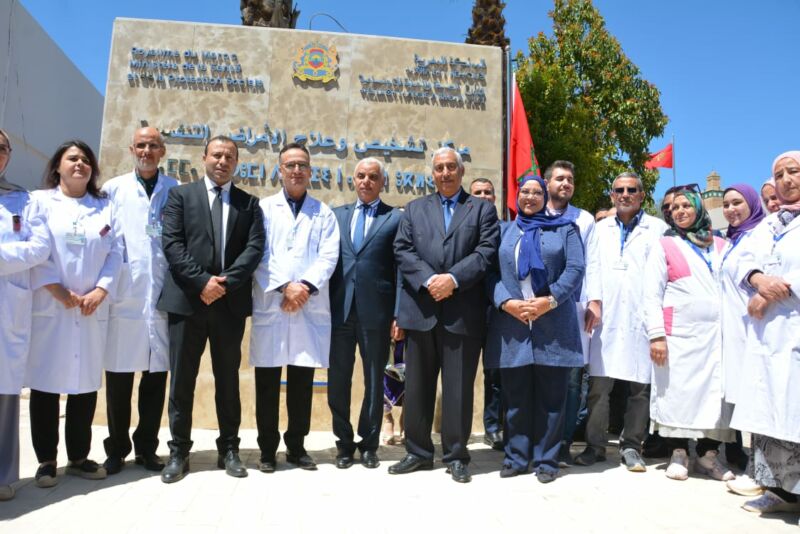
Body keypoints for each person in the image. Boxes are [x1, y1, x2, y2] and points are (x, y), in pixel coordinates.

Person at [158, 136, 265, 483]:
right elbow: (172, 245)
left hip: (228, 305)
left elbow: (254, 249)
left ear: (236, 163)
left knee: (228, 380)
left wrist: (224, 284)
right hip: (187, 302)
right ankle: (179, 451)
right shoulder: (180, 196)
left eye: (229, 157)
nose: (222, 161)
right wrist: (202, 283)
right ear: (204, 157)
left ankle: (229, 450)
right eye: (217, 155)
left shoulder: (249, 204)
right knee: (182, 381)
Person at [389, 147, 499, 484]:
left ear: (462, 172)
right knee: (417, 388)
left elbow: (486, 252)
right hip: (421, 311)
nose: (446, 173)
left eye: (452, 167)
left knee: (458, 389)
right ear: (433, 173)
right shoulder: (415, 209)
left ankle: (456, 455)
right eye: (439, 168)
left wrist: (452, 279)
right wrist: (429, 280)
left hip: (462, 313)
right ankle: (418, 453)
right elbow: (402, 249)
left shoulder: (481, 209)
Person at [26, 140, 123, 487]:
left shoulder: (105, 206)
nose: (79, 164)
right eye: (72, 159)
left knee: (84, 384)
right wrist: (56, 289)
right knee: (45, 384)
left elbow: (116, 252)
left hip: (90, 307)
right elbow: (35, 250)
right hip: (52, 305)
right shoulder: (39, 201)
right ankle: (46, 461)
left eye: (85, 159)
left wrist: (101, 290)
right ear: (57, 166)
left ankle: (79, 457)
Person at [485, 175, 585, 482]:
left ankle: (546, 461)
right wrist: (506, 302)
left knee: (551, 400)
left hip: (553, 323)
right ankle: (516, 457)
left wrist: (549, 301)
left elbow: (575, 269)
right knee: (515, 399)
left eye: (536, 192)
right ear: (517, 196)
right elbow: (490, 273)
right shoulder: (503, 231)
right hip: (512, 323)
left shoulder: (565, 229)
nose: (530, 197)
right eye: (525, 192)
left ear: (545, 197)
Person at [250, 143, 339, 473]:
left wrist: (304, 287)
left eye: (302, 165)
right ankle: (267, 449)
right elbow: (258, 253)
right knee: (267, 383)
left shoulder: (323, 213)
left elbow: (328, 255)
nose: (297, 171)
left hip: (307, 305)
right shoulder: (263, 209)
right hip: (273, 303)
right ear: (280, 170)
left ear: (311, 171)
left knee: (302, 382)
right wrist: (284, 286)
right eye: (290, 165)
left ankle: (297, 447)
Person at [576, 172, 669, 471]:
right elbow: (591, 266)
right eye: (619, 190)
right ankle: (595, 446)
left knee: (640, 388)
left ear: (642, 195)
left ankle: (631, 446)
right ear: (612, 195)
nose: (625, 194)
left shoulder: (658, 229)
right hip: (605, 316)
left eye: (631, 190)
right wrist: (594, 301)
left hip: (643, 315)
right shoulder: (600, 228)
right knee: (598, 387)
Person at [643, 187, 735, 482]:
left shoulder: (721, 245)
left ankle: (708, 456)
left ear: (699, 208)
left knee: (715, 395)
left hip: (717, 337)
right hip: (678, 336)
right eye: (675, 207)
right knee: (677, 393)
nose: (680, 211)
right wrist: (656, 335)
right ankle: (679, 453)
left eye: (686, 206)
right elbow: (650, 294)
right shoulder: (664, 244)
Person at [101, 127, 178, 474]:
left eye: (153, 145)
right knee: (119, 380)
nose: (146, 151)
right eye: (141, 145)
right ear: (132, 149)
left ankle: (147, 448)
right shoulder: (113, 189)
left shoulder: (174, 189)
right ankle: (116, 449)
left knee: (155, 380)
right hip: (125, 295)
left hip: (160, 296)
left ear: (163, 151)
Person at [732, 151, 800, 517]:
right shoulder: (770, 224)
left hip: (793, 324)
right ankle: (777, 490)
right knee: (770, 410)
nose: (787, 180)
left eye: (794, 171)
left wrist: (776, 289)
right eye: (779, 174)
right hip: (768, 334)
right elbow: (740, 260)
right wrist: (758, 280)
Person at [327, 157, 403, 469]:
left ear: (382, 182)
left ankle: (369, 444)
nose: (366, 181)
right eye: (361, 176)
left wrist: (398, 314)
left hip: (377, 314)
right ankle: (344, 444)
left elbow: (400, 270)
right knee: (338, 381)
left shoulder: (395, 218)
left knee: (374, 381)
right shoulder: (337, 216)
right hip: (340, 312)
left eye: (373, 176)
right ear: (353, 180)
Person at [0, 129, 50, 500]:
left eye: (2, 148)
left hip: (8, 306)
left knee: (3, 396)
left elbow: (41, 247)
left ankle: (2, 476)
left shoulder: (23, 199)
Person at [542, 161, 595, 466]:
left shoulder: (584, 219)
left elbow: (592, 263)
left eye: (570, 180)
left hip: (574, 308)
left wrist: (594, 301)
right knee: (540, 375)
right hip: (538, 309)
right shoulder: (533, 214)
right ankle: (540, 440)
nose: (565, 184)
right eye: (560, 178)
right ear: (547, 183)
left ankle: (563, 443)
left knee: (572, 379)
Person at [717, 184, 766, 494]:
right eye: (726, 204)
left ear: (752, 204)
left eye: (737, 203)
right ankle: (755, 466)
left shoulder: (760, 236)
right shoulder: (733, 240)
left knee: (757, 397)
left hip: (753, 327)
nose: (731, 209)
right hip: (732, 329)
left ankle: (760, 471)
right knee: (741, 397)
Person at [468, 177, 503, 450]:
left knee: (495, 376)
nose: (483, 196)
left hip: (496, 312)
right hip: (464, 311)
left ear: (495, 197)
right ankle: (459, 429)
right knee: (462, 374)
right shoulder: (461, 228)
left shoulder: (507, 230)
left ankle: (493, 427)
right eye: (477, 192)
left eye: (487, 192)